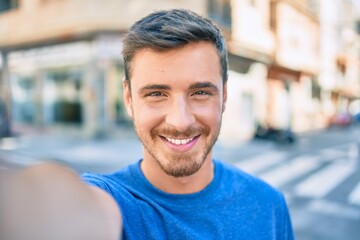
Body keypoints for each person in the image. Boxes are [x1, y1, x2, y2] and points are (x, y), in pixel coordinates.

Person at [0, 9, 294, 240]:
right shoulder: (113, 201)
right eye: (156, 94)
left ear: (225, 96)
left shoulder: (268, 206)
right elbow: (58, 213)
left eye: (200, 93)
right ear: (128, 99)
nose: (180, 121)